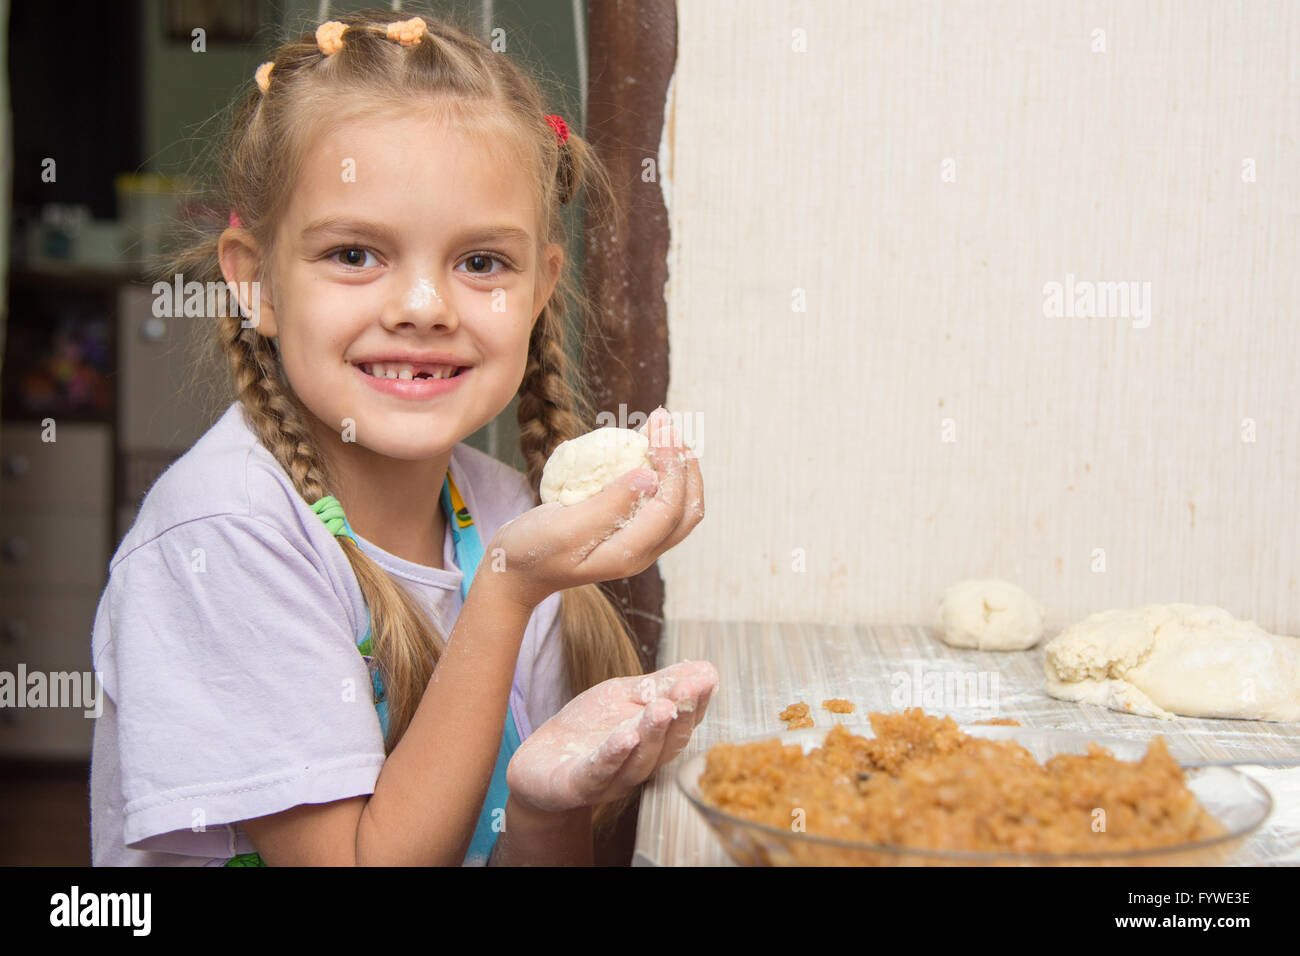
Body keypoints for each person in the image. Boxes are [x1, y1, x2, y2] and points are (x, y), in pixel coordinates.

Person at [90, 9, 714, 866]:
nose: (423, 306)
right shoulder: (226, 536)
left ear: (540, 290)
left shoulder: (499, 514)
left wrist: (542, 807)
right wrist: (504, 592)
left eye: (482, 263)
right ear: (256, 282)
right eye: (354, 254)